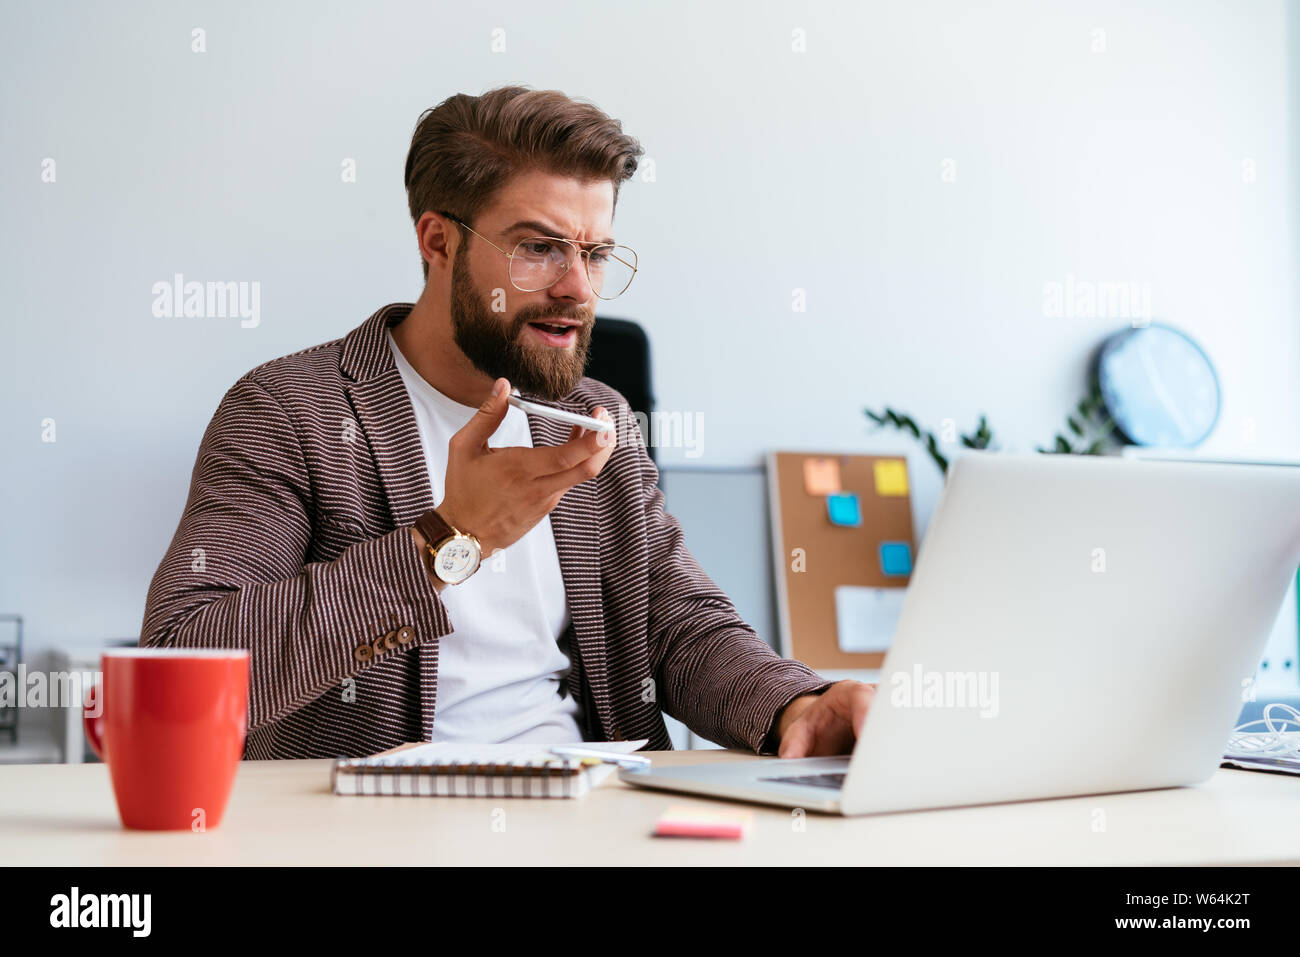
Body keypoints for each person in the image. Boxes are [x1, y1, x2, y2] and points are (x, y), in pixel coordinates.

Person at [141, 85, 874, 759]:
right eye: (539, 248)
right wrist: (448, 540)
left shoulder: (595, 418)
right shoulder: (290, 411)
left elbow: (677, 625)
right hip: (374, 830)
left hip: (594, 819)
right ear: (438, 242)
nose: (578, 289)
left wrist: (796, 703)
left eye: (595, 253)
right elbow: (182, 665)